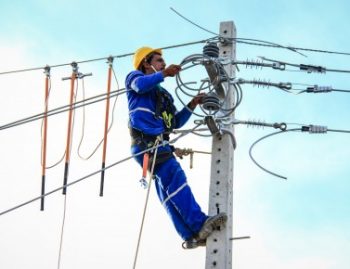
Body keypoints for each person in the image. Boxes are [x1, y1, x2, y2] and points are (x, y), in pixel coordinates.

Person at [125, 46, 227, 249]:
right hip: (147, 143)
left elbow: (175, 122)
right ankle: (199, 223)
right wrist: (164, 73)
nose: (163, 63)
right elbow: (139, 85)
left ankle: (190, 235)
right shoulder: (135, 77)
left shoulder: (162, 96)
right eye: (158, 60)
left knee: (166, 190)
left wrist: (192, 104)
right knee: (175, 178)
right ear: (146, 63)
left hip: (154, 145)